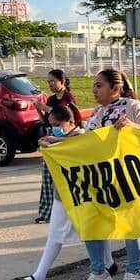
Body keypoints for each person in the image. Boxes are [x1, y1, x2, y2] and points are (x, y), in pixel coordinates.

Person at [72, 70, 140, 280]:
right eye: (94, 85)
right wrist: (57, 142)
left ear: (115, 88)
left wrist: (132, 126)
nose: (94, 90)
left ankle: (134, 273)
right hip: (100, 180)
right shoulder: (98, 113)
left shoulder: (134, 107)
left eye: (99, 85)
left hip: (128, 177)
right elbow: (86, 141)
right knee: (90, 221)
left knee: (131, 225)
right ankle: (98, 273)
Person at [17, 106, 85, 280]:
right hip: (63, 194)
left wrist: (56, 142)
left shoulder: (81, 136)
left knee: (89, 233)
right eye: (52, 126)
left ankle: (39, 276)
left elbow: (76, 146)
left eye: (57, 125)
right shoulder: (64, 138)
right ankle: (39, 275)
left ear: (70, 121)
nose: (54, 129)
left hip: (78, 195)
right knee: (62, 234)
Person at [33, 69, 81, 224]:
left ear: (62, 81)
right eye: (48, 82)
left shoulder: (68, 98)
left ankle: (63, 212)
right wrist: (39, 110)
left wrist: (47, 109)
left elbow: (70, 117)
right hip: (51, 137)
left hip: (65, 137)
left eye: (53, 81)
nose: (50, 84)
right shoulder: (51, 99)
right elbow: (47, 120)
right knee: (47, 178)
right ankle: (46, 211)